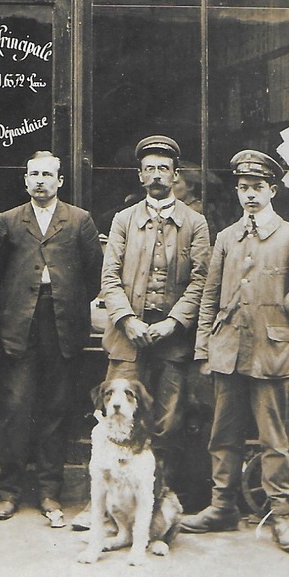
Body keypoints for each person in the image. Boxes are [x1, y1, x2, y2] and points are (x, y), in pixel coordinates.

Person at [180, 150, 289, 554]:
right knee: (223, 435)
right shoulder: (226, 237)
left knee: (273, 439)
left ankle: (281, 515)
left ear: (273, 190)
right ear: (237, 192)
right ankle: (221, 507)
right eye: (244, 188)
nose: (250, 195)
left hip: (270, 350)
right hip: (228, 350)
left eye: (258, 188)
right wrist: (203, 349)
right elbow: (211, 297)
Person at [0, 150, 103, 525]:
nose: (40, 180)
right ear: (25, 180)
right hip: (20, 325)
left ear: (59, 181)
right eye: (33, 174)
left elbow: (93, 274)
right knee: (16, 409)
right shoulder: (8, 221)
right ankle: (9, 492)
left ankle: (50, 493)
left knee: (56, 409)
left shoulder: (79, 220)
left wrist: (66, 302)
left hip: (63, 323)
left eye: (47, 175)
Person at [99, 136, 211, 493]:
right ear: (140, 176)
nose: (157, 176)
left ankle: (159, 497)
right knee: (117, 416)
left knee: (167, 421)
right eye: (150, 169)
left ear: (176, 175)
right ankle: (112, 497)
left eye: (164, 169)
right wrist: (127, 320)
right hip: (128, 336)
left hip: (172, 339)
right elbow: (109, 276)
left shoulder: (196, 223)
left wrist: (173, 323)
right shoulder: (123, 220)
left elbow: (202, 280)